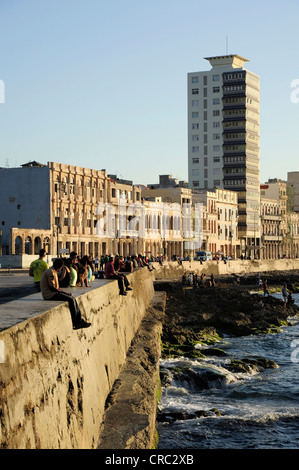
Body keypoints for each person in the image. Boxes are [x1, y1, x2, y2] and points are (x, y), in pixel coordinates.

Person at [40, 258, 91, 330]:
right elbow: (52, 287)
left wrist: (64, 292)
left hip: (53, 293)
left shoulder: (53, 271)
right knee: (71, 300)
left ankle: (79, 320)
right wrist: (64, 292)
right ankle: (76, 323)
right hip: (49, 294)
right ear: (60, 267)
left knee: (73, 299)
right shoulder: (50, 272)